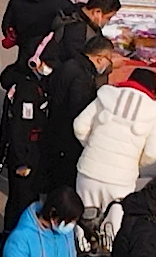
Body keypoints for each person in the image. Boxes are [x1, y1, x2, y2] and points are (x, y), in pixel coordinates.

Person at [73, 66, 156, 231]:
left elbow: (79, 126)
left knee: (82, 223)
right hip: (120, 181)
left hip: (89, 172)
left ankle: (80, 254)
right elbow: (155, 152)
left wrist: (92, 147)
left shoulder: (106, 96)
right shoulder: (155, 112)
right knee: (112, 229)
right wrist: (134, 162)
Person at [41, 35, 114, 192]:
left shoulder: (69, 64)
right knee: (64, 183)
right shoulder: (83, 77)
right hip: (67, 138)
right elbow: (78, 110)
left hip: (53, 128)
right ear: (100, 58)